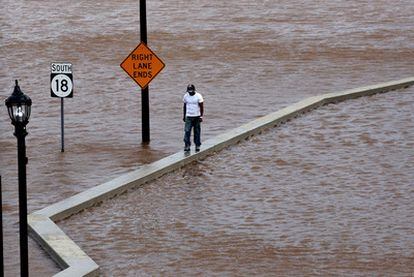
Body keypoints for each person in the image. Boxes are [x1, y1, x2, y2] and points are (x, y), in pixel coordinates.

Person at [183, 84, 204, 152]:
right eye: (189, 91)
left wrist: (201, 116)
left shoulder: (198, 96)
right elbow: (184, 106)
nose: (190, 92)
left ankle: (197, 145)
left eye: (191, 90)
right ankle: (187, 145)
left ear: (194, 90)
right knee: (187, 131)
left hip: (197, 116)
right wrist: (184, 116)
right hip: (188, 116)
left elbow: (201, 107)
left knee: (197, 132)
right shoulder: (186, 96)